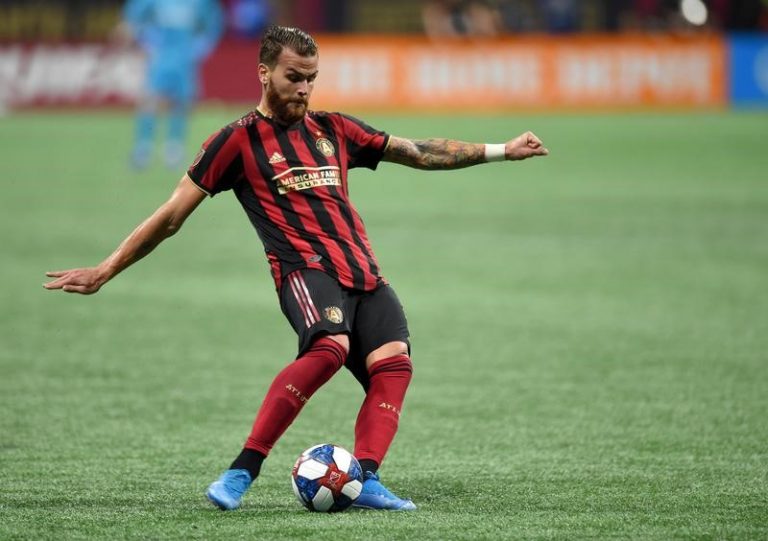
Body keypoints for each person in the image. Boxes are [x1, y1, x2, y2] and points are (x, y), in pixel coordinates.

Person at [44, 25, 549, 511]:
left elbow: (416, 151)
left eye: (311, 78)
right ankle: (242, 469)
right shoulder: (235, 141)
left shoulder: (335, 128)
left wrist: (502, 150)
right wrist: (105, 269)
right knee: (330, 348)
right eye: (294, 77)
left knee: (394, 364)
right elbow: (172, 216)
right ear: (264, 73)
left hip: (364, 274)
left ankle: (365, 479)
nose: (304, 88)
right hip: (304, 273)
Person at [118, 0, 224, 169]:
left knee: (182, 101)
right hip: (160, 57)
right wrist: (147, 41)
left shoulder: (200, 3)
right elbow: (134, 17)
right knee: (150, 99)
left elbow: (213, 24)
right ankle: (143, 146)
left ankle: (174, 146)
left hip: (184, 59)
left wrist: (199, 48)